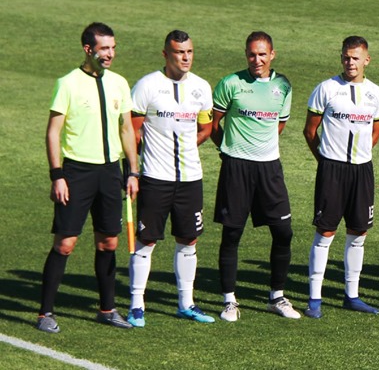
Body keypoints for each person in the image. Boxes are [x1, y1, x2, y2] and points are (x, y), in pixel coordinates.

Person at [38, 22, 139, 333]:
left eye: (112, 48)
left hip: (110, 173)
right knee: (66, 243)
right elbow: (53, 133)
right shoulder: (67, 83)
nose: (110, 54)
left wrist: (133, 171)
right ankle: (45, 313)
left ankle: (107, 309)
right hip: (77, 173)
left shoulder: (120, 83)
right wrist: (58, 176)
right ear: (88, 49)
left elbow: (126, 130)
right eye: (104, 48)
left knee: (109, 242)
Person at [126, 30, 216, 327]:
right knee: (147, 239)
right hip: (155, 177)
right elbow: (132, 132)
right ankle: (137, 304)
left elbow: (206, 127)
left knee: (188, 239)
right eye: (179, 52)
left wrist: (187, 148)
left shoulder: (202, 88)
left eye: (189, 51)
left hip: (191, 178)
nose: (186, 57)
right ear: (166, 54)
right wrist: (134, 170)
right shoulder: (147, 86)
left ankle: (186, 303)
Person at [212, 31, 298, 322]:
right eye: (251, 54)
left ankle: (277, 296)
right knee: (232, 232)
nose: (256, 59)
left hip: (269, 168)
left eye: (262, 54)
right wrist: (228, 151)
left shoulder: (283, 85)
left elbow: (279, 125)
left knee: (283, 232)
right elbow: (214, 124)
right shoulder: (231, 83)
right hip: (236, 167)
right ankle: (229, 300)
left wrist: (263, 149)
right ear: (246, 54)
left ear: (272, 54)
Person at [304, 36, 379, 317]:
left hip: (362, 170)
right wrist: (325, 160)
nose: (350, 62)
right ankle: (314, 297)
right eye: (346, 57)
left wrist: (359, 155)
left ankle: (352, 295)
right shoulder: (326, 89)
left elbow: (376, 131)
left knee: (358, 232)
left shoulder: (376, 92)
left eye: (356, 57)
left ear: (366, 60)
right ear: (341, 58)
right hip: (332, 170)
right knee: (326, 231)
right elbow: (310, 131)